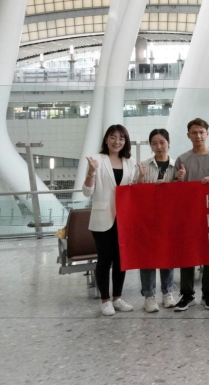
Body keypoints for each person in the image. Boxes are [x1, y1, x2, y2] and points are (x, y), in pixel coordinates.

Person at [82, 124, 138, 316]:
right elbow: (87, 191)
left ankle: (117, 297)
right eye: (113, 137)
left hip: (123, 218)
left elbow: (131, 190)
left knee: (121, 259)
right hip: (102, 217)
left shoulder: (130, 162)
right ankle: (105, 300)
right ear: (106, 139)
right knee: (105, 259)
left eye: (121, 138)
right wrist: (91, 172)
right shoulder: (96, 160)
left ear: (125, 141)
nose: (117, 141)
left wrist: (141, 179)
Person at [174, 118, 209, 312]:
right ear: (188, 135)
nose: (198, 136)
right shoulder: (182, 159)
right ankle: (187, 294)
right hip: (189, 214)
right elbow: (175, 191)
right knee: (187, 253)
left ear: (207, 134)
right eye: (194, 132)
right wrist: (178, 180)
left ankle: (208, 294)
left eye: (201, 132)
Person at [135, 128, 185, 312]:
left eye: (162, 142)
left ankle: (167, 293)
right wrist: (144, 180)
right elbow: (135, 192)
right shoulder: (143, 165)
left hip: (168, 219)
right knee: (148, 257)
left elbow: (180, 194)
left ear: (169, 143)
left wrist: (178, 181)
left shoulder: (177, 165)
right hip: (148, 218)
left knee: (167, 255)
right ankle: (149, 296)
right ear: (150, 145)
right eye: (154, 143)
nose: (159, 146)